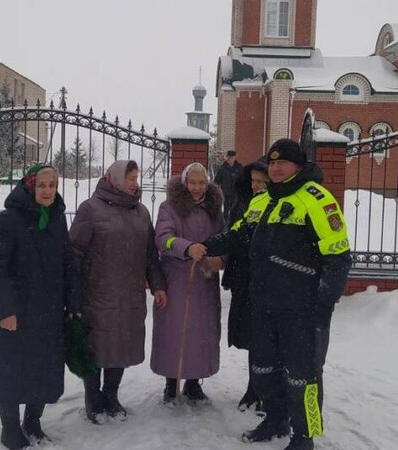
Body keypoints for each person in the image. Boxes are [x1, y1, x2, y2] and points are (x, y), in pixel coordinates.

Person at [202, 139, 352, 450]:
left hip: (301, 310)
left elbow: (338, 258)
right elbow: (236, 235)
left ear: (298, 165)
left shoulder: (316, 199)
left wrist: (323, 305)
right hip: (264, 306)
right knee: (263, 369)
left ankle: (304, 436)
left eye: (282, 162)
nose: (276, 168)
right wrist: (203, 246)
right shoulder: (262, 200)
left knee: (303, 378)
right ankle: (275, 419)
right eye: (272, 163)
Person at [0, 164, 82, 450]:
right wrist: (5, 310)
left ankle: (33, 422)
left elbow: (69, 263)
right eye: (42, 185)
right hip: (16, 313)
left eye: (52, 185)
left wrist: (74, 302)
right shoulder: (9, 220)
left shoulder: (57, 219)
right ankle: (10, 429)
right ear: (29, 187)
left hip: (48, 312)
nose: (48, 191)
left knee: (43, 368)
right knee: (10, 369)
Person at [68, 160, 168, 424]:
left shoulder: (142, 213)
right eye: (130, 178)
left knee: (121, 346)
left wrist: (158, 285)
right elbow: (74, 254)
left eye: (136, 178)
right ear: (113, 179)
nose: (135, 183)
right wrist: (72, 293)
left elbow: (150, 255)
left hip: (130, 295)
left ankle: (111, 396)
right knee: (95, 347)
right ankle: (93, 398)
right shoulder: (90, 209)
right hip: (97, 294)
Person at [151, 162, 225, 406]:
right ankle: (171, 382)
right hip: (176, 279)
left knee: (201, 333)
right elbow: (163, 238)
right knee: (174, 331)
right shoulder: (169, 207)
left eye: (201, 182)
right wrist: (186, 247)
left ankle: (194, 383)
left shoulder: (214, 210)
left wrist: (220, 260)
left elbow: (225, 239)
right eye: (192, 182)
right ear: (184, 183)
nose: (197, 187)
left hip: (205, 281)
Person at [221, 157, 269, 413]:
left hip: (266, 281)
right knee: (252, 336)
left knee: (266, 339)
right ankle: (253, 387)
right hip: (244, 277)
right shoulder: (243, 201)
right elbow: (234, 235)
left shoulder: (276, 203)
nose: (256, 186)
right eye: (253, 181)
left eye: (262, 182)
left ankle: (265, 391)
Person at [214, 150, 243, 223]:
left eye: (231, 157)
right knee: (225, 211)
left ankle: (233, 224)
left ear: (235, 157)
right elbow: (217, 181)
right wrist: (217, 191)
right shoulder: (222, 168)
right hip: (225, 193)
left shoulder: (239, 168)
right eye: (228, 157)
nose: (229, 159)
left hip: (236, 193)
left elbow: (243, 179)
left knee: (235, 210)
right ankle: (225, 225)